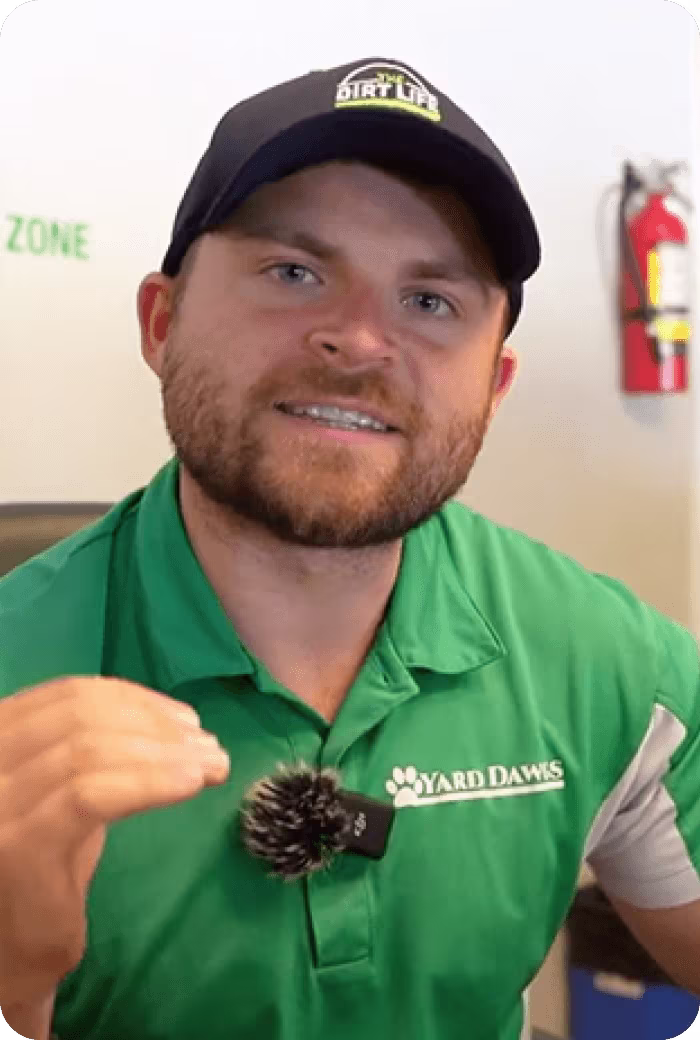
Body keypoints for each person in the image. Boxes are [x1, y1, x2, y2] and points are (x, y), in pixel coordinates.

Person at [0, 55, 698, 1040]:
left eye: (429, 301)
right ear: (163, 322)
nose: (360, 340)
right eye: (294, 272)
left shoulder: (618, 667)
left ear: (491, 389)